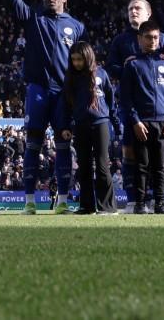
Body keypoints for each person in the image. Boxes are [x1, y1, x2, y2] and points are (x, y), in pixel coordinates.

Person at [3, 0, 85, 214]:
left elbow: (84, 64)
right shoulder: (32, 18)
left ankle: (62, 201)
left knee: (63, 145)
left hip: (63, 93)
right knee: (33, 145)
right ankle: (28, 202)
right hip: (37, 89)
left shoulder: (77, 27)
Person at [106, 0, 164, 213]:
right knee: (130, 155)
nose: (133, 11)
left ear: (148, 13)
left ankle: (156, 200)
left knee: (156, 159)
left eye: (137, 8)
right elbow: (111, 67)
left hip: (157, 111)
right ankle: (134, 200)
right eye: (130, 8)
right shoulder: (120, 41)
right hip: (130, 108)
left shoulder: (162, 40)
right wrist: (125, 67)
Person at [118, 21, 164, 215]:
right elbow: (126, 98)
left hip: (163, 123)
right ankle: (140, 203)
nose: (152, 41)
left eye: (155, 37)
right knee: (141, 165)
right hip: (141, 123)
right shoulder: (132, 64)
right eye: (148, 37)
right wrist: (135, 120)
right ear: (140, 39)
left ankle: (160, 204)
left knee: (160, 166)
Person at [61, 41, 119, 215]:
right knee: (84, 167)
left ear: (88, 57)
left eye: (79, 59)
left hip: (100, 124)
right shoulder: (70, 77)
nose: (77, 63)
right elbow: (66, 104)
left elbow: (111, 100)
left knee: (102, 165)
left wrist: (116, 124)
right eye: (74, 60)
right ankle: (86, 207)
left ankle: (108, 207)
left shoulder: (101, 74)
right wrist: (65, 125)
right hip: (80, 126)